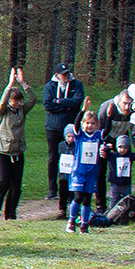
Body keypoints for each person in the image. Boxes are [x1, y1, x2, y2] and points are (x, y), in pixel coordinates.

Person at [0, 69, 33, 220]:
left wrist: (22, 83)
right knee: (3, 180)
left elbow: (33, 99)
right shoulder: (2, 111)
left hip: (18, 152)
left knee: (16, 186)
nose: (18, 103)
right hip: (1, 151)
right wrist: (10, 85)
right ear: (10, 100)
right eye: (15, 100)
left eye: (19, 100)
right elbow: (2, 103)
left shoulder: (22, 110)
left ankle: (10, 214)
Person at [41, 64, 85, 201]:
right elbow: (47, 105)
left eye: (67, 73)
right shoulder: (50, 86)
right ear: (57, 74)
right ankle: (52, 189)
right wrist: (67, 107)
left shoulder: (76, 84)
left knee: (72, 157)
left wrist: (59, 101)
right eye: (63, 74)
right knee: (53, 158)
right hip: (53, 127)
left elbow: (77, 101)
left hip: (71, 126)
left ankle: (70, 190)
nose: (66, 76)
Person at [66, 109, 106, 233]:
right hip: (79, 171)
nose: (90, 126)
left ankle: (84, 224)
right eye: (87, 123)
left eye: (93, 123)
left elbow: (108, 130)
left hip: (92, 172)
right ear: (83, 124)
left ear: (97, 125)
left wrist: (109, 116)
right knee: (78, 197)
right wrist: (82, 110)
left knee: (87, 199)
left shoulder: (98, 136)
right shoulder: (80, 135)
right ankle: (71, 221)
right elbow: (76, 125)